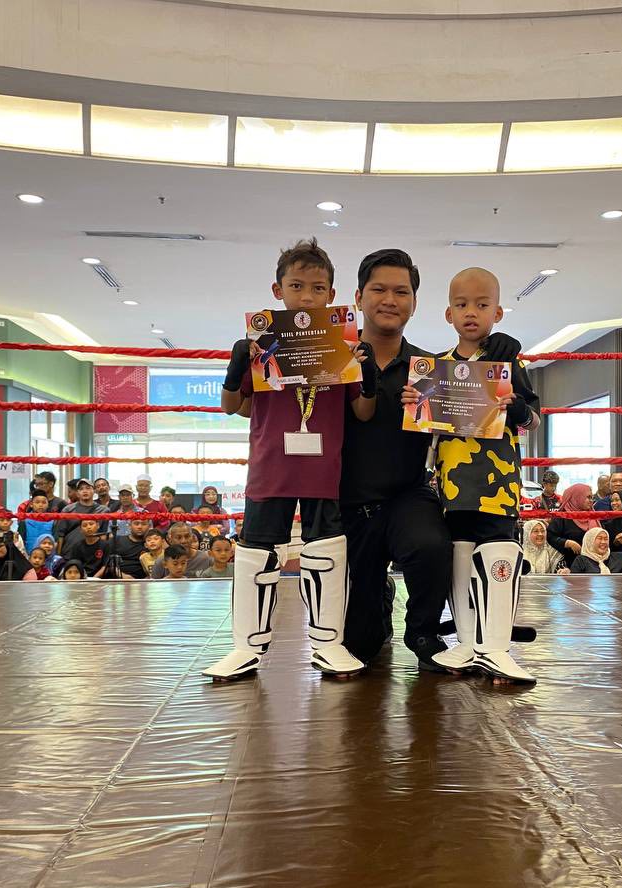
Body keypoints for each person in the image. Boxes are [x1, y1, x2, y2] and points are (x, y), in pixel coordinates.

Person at [201, 240, 380, 681]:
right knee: (256, 555)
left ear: (331, 294)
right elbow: (233, 407)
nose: (306, 297)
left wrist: (369, 377)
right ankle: (245, 648)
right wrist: (235, 369)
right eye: (296, 286)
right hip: (271, 467)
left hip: (323, 468)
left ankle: (328, 644)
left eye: (317, 288)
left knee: (326, 553)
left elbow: (363, 412)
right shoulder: (262, 343)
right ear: (277, 290)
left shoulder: (342, 345)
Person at [339, 249, 520, 673]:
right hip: (348, 501)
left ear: (415, 303)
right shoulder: (338, 361)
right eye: (379, 289)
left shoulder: (433, 369)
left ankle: (422, 631)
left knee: (433, 545)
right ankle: (379, 598)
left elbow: (482, 401)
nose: (390, 300)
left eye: (401, 292)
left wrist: (499, 356)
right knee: (361, 642)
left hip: (407, 493)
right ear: (359, 297)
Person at [416, 267, 540, 683]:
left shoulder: (510, 362)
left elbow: (533, 419)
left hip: (498, 483)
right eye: (462, 304)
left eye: (482, 304)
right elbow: (423, 426)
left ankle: (496, 647)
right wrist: (414, 403)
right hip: (453, 485)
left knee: (499, 553)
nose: (472, 312)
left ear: (498, 312)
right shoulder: (435, 369)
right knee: (460, 554)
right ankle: (468, 642)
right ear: (448, 313)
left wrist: (516, 405)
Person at [546, 482, 598, 566]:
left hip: (594, 563)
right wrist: (567, 543)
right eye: (588, 497)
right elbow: (550, 536)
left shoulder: (593, 515)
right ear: (576, 497)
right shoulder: (562, 516)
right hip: (570, 565)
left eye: (592, 497)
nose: (591, 501)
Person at [52, 479, 108, 545]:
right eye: (81, 489)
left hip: (94, 549)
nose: (85, 491)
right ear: (77, 493)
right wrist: (59, 551)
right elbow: (60, 535)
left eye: (88, 488)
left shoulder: (103, 510)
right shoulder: (67, 510)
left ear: (94, 491)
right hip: (70, 548)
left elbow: (104, 535)